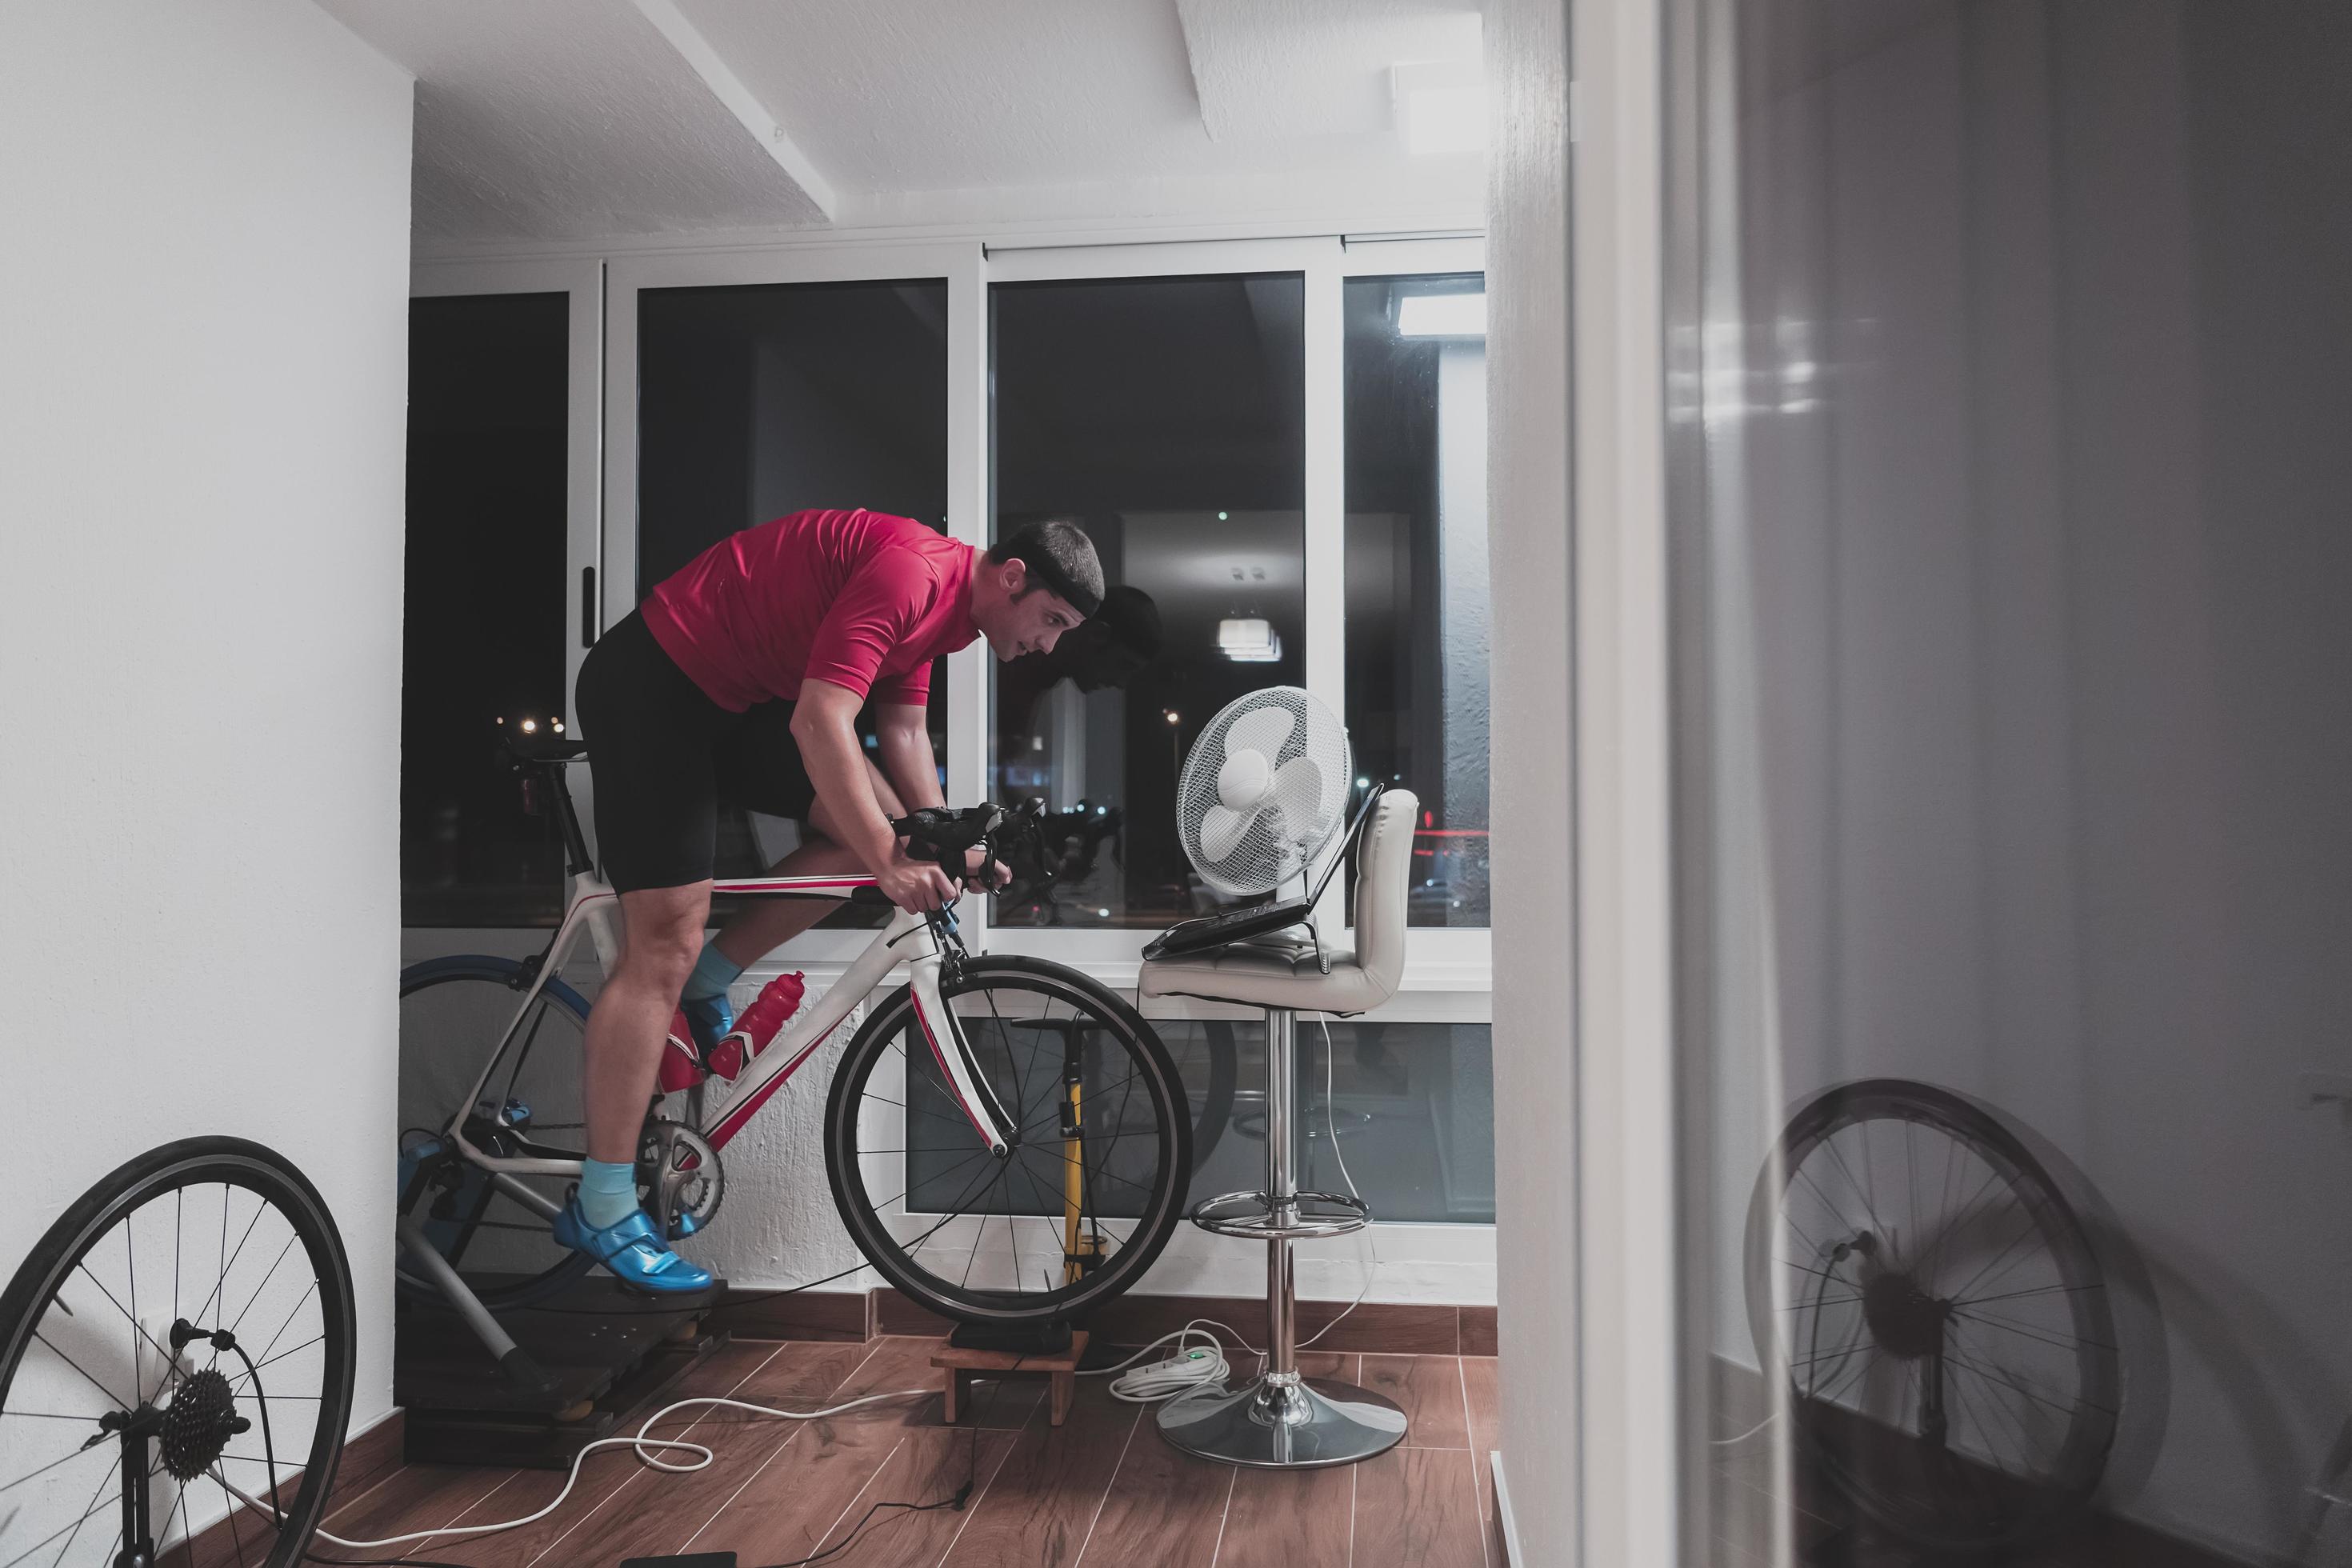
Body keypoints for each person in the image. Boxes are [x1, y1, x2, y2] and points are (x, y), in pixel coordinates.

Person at [561, 509, 1103, 1291]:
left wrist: (951, 845)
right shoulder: (911, 572)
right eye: (1050, 621)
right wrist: (892, 858)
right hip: (656, 682)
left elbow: (905, 733)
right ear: (1012, 577)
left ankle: (708, 985)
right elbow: (822, 719)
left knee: (866, 836)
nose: (1048, 645)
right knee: (663, 943)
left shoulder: (949, 613)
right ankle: (603, 1202)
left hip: (735, 700)